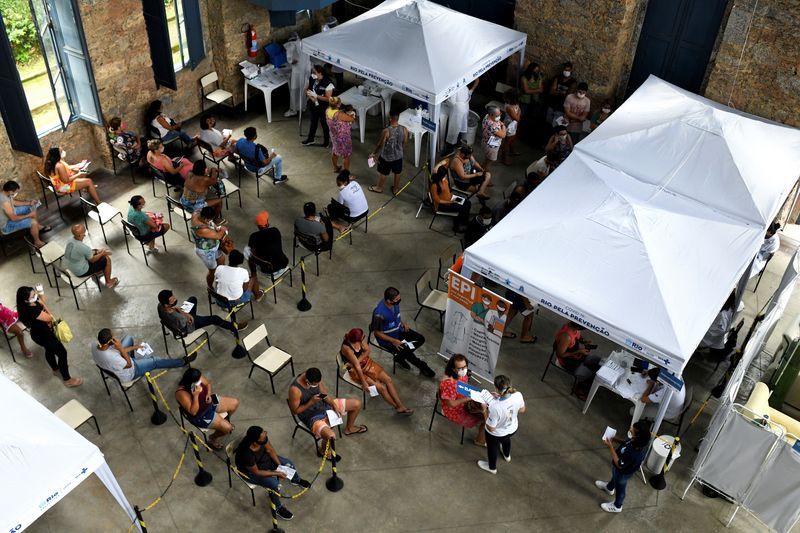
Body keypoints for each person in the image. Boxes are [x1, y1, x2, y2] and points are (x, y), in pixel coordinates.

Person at [235, 426, 311, 521]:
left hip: (264, 461)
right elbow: (257, 472)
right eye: (263, 436)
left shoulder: (262, 439)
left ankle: (296, 480)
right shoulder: (246, 454)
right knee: (275, 485)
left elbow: (270, 450)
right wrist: (277, 473)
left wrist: (281, 468)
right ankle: (278, 508)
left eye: (264, 432)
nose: (265, 435)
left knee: (289, 464)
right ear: (255, 441)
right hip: (251, 473)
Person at [288, 367, 364, 458]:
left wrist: (334, 405)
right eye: (314, 385)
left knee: (356, 404)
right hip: (311, 416)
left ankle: (349, 428)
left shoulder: (314, 377)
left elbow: (324, 395)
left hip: (324, 406)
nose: (316, 386)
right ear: (307, 381)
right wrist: (311, 402)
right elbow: (294, 411)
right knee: (331, 436)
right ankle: (323, 451)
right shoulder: (295, 390)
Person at [16, 286, 81, 387]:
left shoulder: (28, 305)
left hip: (39, 333)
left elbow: (40, 301)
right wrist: (43, 305)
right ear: (25, 300)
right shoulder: (32, 311)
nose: (35, 297)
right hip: (44, 335)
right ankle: (67, 380)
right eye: (33, 296)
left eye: (35, 294)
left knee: (49, 350)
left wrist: (41, 293)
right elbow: (49, 317)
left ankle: (55, 369)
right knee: (62, 353)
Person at [340, 328, 413, 414]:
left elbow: (367, 351)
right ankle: (398, 407)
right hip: (356, 371)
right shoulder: (347, 349)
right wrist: (363, 382)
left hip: (366, 363)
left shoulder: (358, 338)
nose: (364, 339)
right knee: (382, 388)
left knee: (388, 380)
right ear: (357, 340)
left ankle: (400, 404)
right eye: (362, 338)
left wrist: (357, 361)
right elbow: (357, 367)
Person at [371, 286, 436, 378]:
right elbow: (377, 333)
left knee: (420, 339)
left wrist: (402, 323)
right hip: (388, 340)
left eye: (399, 298)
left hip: (399, 331)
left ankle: (399, 357)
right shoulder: (379, 314)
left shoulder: (395, 304)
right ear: (389, 301)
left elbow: (396, 316)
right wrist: (393, 341)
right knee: (408, 353)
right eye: (397, 299)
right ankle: (423, 367)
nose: (399, 300)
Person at [92, 328, 193, 382]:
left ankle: (137, 360)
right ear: (111, 341)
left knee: (128, 338)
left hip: (116, 362)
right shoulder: (112, 357)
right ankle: (182, 362)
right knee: (155, 361)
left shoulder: (95, 344)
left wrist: (133, 348)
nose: (115, 336)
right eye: (113, 336)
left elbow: (116, 353)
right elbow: (129, 365)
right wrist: (121, 348)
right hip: (130, 371)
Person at [596, 420, 652, 513]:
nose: (630, 429)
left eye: (632, 431)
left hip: (623, 473)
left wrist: (610, 446)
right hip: (619, 470)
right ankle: (609, 488)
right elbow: (627, 442)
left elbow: (619, 464)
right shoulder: (637, 441)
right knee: (615, 476)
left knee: (620, 488)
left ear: (636, 436)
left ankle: (617, 506)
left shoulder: (633, 453)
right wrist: (615, 439)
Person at [175, 368, 239, 450]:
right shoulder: (181, 393)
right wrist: (195, 395)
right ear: (190, 381)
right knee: (228, 428)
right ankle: (213, 438)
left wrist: (208, 394)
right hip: (201, 415)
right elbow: (193, 412)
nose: (200, 381)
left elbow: (208, 384)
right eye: (197, 380)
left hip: (209, 403)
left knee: (235, 403)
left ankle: (223, 423)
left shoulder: (198, 377)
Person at [477, 374, 526, 474]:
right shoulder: (518, 395)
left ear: (496, 388)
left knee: (492, 448)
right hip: (512, 428)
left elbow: (491, 428)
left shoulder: (495, 407)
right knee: (506, 440)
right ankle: (507, 455)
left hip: (496, 434)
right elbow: (522, 409)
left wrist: (484, 411)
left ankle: (492, 468)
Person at [439, 354, 485, 445]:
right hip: (454, 410)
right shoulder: (449, 383)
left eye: (465, 367)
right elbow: (451, 404)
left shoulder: (461, 375)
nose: (463, 370)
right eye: (460, 368)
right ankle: (480, 441)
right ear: (453, 368)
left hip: (463, 399)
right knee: (486, 418)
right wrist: (469, 398)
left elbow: (464, 387)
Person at [157, 289, 242, 335]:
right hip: (190, 325)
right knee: (214, 318)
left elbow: (170, 311)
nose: (175, 299)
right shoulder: (179, 317)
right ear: (166, 304)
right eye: (172, 300)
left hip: (179, 317)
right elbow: (190, 321)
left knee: (192, 299)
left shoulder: (160, 306)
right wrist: (184, 313)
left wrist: (176, 309)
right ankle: (233, 327)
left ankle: (197, 317)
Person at [553, 321, 601, 399]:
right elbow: (560, 354)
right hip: (567, 361)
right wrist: (578, 351)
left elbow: (578, 335)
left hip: (576, 355)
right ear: (578, 327)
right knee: (593, 375)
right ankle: (577, 387)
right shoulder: (566, 337)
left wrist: (583, 341)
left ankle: (585, 381)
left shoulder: (573, 325)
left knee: (598, 361)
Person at [63, 223, 119, 288]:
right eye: (84, 233)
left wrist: (97, 251)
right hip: (81, 272)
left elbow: (85, 252)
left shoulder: (70, 240)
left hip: (71, 267)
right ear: (80, 235)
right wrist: (102, 253)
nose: (85, 235)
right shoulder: (83, 247)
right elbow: (92, 260)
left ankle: (96, 272)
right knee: (106, 259)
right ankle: (109, 282)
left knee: (95, 251)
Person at [368, 111, 407, 195]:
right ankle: (395, 189)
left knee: (383, 173)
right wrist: (400, 152)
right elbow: (405, 142)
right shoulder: (404, 129)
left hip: (386, 157)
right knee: (397, 172)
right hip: (399, 156)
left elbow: (380, 144)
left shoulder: (386, 131)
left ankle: (379, 188)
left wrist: (373, 153)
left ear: (390, 119)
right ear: (398, 119)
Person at [0, 180, 48, 247]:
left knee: (30, 207)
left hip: (10, 214)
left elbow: (14, 202)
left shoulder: (4, 193)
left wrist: (29, 203)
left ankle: (37, 227)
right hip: (7, 225)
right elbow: (14, 218)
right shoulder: (5, 203)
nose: (16, 193)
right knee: (33, 222)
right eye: (16, 192)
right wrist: (28, 215)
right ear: (10, 191)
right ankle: (37, 242)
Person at [191, 206, 227, 288]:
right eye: (208, 219)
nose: (209, 221)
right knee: (212, 270)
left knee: (221, 261)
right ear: (204, 217)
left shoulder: (197, 212)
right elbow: (218, 236)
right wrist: (224, 229)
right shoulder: (201, 229)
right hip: (206, 252)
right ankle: (210, 287)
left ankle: (221, 281)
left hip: (213, 246)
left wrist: (215, 226)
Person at [430, 166, 472, 233]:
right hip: (442, 205)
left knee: (468, 203)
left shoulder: (444, 181)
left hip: (451, 198)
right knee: (463, 208)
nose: (446, 176)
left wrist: (453, 197)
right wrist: (449, 202)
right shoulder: (434, 185)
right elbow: (437, 200)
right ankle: (457, 225)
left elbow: (446, 161)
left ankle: (464, 220)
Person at [247, 211, 289, 277]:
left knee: (248, 253)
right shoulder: (275, 231)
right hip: (283, 265)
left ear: (258, 226)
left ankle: (253, 276)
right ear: (267, 224)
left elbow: (253, 255)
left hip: (268, 270)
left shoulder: (253, 237)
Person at [301, 64, 334, 147]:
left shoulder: (328, 83)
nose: (312, 74)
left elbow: (328, 98)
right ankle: (310, 139)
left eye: (314, 72)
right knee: (313, 123)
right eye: (312, 72)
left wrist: (316, 96)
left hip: (323, 107)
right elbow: (306, 89)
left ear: (320, 73)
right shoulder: (312, 78)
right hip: (313, 105)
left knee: (324, 125)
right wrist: (311, 97)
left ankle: (326, 142)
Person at [698, 291, 736, 361]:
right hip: (711, 338)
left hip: (706, 340)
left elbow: (718, 331)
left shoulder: (722, 314)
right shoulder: (728, 309)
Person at [325, 97, 355, 174]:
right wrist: (352, 114)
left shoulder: (328, 110)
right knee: (346, 156)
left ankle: (335, 168)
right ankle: (347, 175)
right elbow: (351, 119)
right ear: (338, 105)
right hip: (343, 138)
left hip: (334, 136)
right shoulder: (339, 114)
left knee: (335, 151)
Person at [283, 32, 311, 118]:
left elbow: (292, 60)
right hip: (306, 70)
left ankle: (293, 110)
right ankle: (302, 107)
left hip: (297, 72)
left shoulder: (291, 46)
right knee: (303, 90)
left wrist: (291, 62)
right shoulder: (304, 43)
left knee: (294, 90)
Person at [481, 106, 507, 173]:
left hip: (485, 142)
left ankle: (482, 168)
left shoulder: (487, 117)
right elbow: (503, 135)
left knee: (487, 159)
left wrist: (499, 123)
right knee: (489, 162)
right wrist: (503, 126)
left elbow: (497, 121)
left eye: (499, 114)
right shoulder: (493, 126)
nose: (499, 117)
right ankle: (486, 175)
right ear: (491, 114)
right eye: (497, 115)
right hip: (491, 146)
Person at [519, 62, 545, 129]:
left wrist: (531, 90)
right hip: (524, 100)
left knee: (532, 117)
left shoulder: (538, 77)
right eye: (535, 70)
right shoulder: (524, 77)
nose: (536, 71)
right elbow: (526, 90)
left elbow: (541, 89)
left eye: (537, 70)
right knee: (522, 116)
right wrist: (537, 90)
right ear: (530, 69)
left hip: (534, 100)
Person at [499, 90, 522, 164]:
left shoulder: (515, 104)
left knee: (512, 138)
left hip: (514, 124)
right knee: (507, 142)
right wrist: (519, 112)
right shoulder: (509, 107)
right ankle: (504, 158)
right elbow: (517, 118)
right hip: (510, 125)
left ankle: (512, 151)